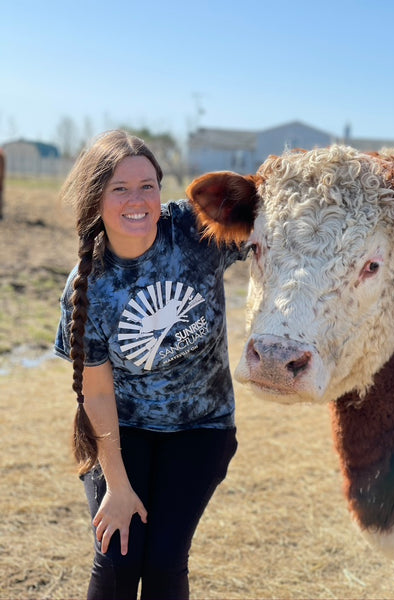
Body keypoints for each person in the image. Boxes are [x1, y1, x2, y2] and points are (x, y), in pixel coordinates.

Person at [54, 130, 247, 600]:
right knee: (117, 560)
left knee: (163, 564)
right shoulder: (88, 287)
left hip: (202, 428)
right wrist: (117, 488)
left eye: (148, 186)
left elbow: (276, 230)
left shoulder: (195, 231)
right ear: (95, 198)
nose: (136, 200)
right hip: (124, 430)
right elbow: (96, 395)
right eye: (119, 188)